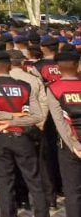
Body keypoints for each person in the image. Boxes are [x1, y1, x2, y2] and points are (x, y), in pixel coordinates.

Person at [0, 50, 49, 217]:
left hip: (0, 138)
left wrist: (7, 121)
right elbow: (37, 116)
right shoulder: (25, 86)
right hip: (23, 137)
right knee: (34, 181)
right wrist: (14, 117)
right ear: (9, 66)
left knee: (5, 182)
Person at [44, 50, 80, 217]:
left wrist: (75, 146)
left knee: (72, 192)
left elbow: (60, 122)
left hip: (68, 147)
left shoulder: (53, 88)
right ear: (78, 66)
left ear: (58, 68)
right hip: (72, 145)